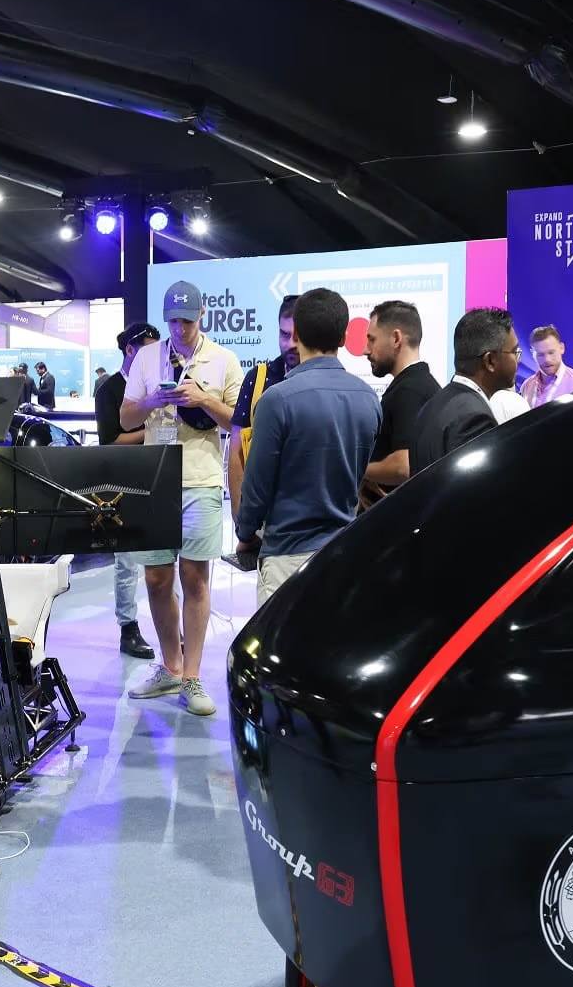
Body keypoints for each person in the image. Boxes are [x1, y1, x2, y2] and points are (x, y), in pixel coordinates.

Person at [120, 281, 241, 716]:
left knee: (195, 578)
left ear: (202, 315)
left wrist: (203, 399)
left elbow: (236, 421)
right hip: (155, 481)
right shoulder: (147, 357)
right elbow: (125, 417)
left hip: (201, 481)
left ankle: (192, 676)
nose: (179, 329)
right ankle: (170, 666)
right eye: (173, 320)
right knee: (156, 579)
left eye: (187, 321)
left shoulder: (223, 359)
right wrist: (153, 400)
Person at [234, 290, 380, 606]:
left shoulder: (276, 400)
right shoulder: (369, 399)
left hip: (286, 558)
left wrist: (245, 534)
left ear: (297, 334)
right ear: (344, 338)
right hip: (343, 552)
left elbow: (256, 487)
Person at [95, 323, 159, 659]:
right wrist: (152, 430)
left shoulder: (156, 385)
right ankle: (128, 628)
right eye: (148, 349)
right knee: (127, 560)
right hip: (122, 483)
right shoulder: (109, 390)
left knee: (165, 556)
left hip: (158, 477)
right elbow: (111, 441)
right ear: (130, 350)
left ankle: (171, 626)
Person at [409, 308, 517, 475]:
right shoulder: (475, 419)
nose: (517, 360)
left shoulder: (431, 405)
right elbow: (478, 488)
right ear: (490, 361)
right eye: (514, 352)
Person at [229, 295, 300, 545]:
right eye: (284, 334)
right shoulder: (258, 378)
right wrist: (241, 522)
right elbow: (237, 451)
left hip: (309, 518)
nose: (290, 344)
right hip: (262, 519)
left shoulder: (327, 382)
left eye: (298, 336)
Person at [361, 300, 440, 506]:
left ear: (396, 338)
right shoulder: (422, 385)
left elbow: (404, 466)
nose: (365, 350)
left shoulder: (409, 391)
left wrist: (359, 471)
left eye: (372, 339)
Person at [519, 325, 573, 406]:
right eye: (540, 355)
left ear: (562, 348)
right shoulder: (527, 386)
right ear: (532, 353)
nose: (547, 359)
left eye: (551, 352)